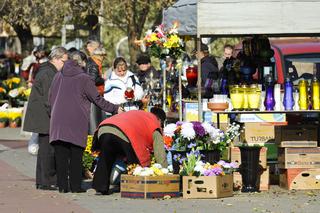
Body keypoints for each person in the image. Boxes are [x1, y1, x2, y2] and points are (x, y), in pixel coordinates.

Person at [48, 51, 123, 193]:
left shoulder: (58, 75)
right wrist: (115, 109)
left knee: (61, 155)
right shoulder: (84, 78)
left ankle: (63, 186)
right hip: (75, 120)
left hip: (57, 121)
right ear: (82, 63)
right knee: (76, 154)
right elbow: (97, 99)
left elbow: (50, 97)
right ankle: (75, 187)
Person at [92, 107, 168, 195]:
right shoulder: (154, 122)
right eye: (161, 124)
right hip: (124, 132)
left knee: (105, 157)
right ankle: (132, 185)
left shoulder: (138, 114)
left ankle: (101, 187)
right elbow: (160, 153)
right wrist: (164, 172)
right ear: (159, 119)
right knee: (135, 162)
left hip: (104, 128)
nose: (161, 127)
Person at [23, 46, 68, 190]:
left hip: (43, 115)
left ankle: (43, 181)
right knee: (48, 149)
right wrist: (56, 116)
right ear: (55, 59)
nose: (65, 64)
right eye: (63, 61)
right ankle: (47, 181)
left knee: (45, 149)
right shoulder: (49, 73)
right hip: (46, 116)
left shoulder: (47, 70)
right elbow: (50, 98)